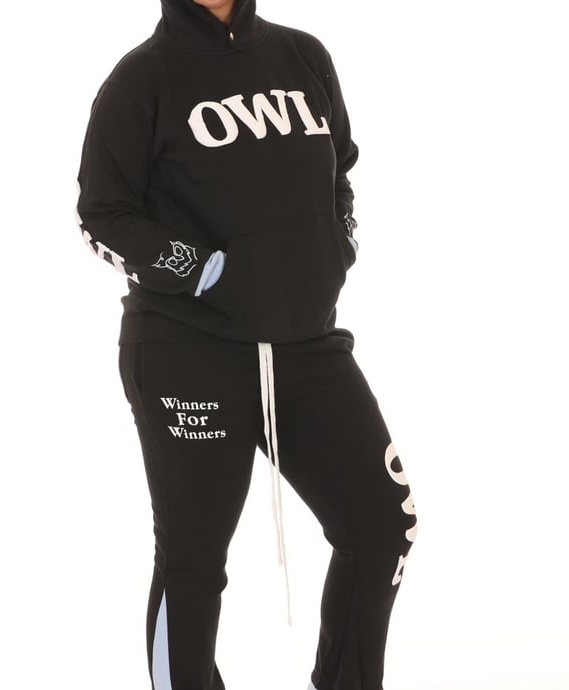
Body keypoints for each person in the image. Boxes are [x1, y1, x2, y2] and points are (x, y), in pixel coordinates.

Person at [75, 1, 417, 688]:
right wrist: (200, 269)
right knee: (193, 565)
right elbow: (101, 214)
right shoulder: (141, 80)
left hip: (306, 345)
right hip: (187, 352)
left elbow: (340, 170)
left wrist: (340, 241)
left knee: (382, 524)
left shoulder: (305, 57)